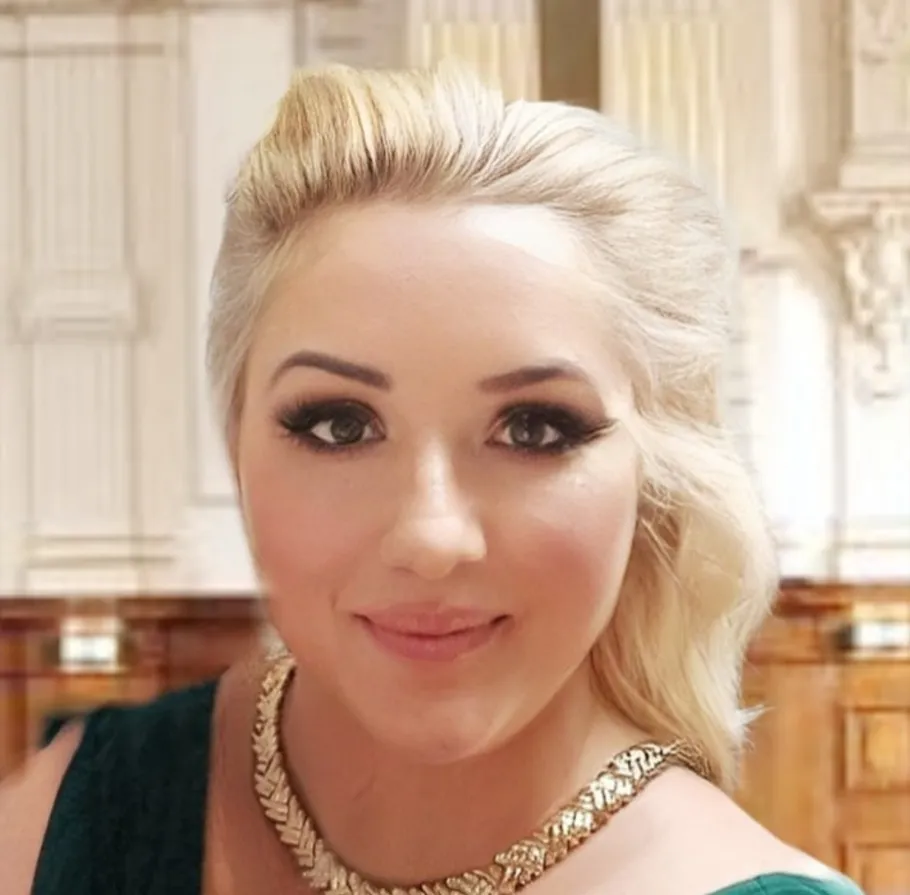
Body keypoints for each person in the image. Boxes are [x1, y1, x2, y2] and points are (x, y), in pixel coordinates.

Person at [0, 63, 865, 895]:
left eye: (533, 428)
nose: (430, 535)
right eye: (340, 425)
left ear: (656, 472)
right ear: (238, 444)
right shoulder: (72, 814)